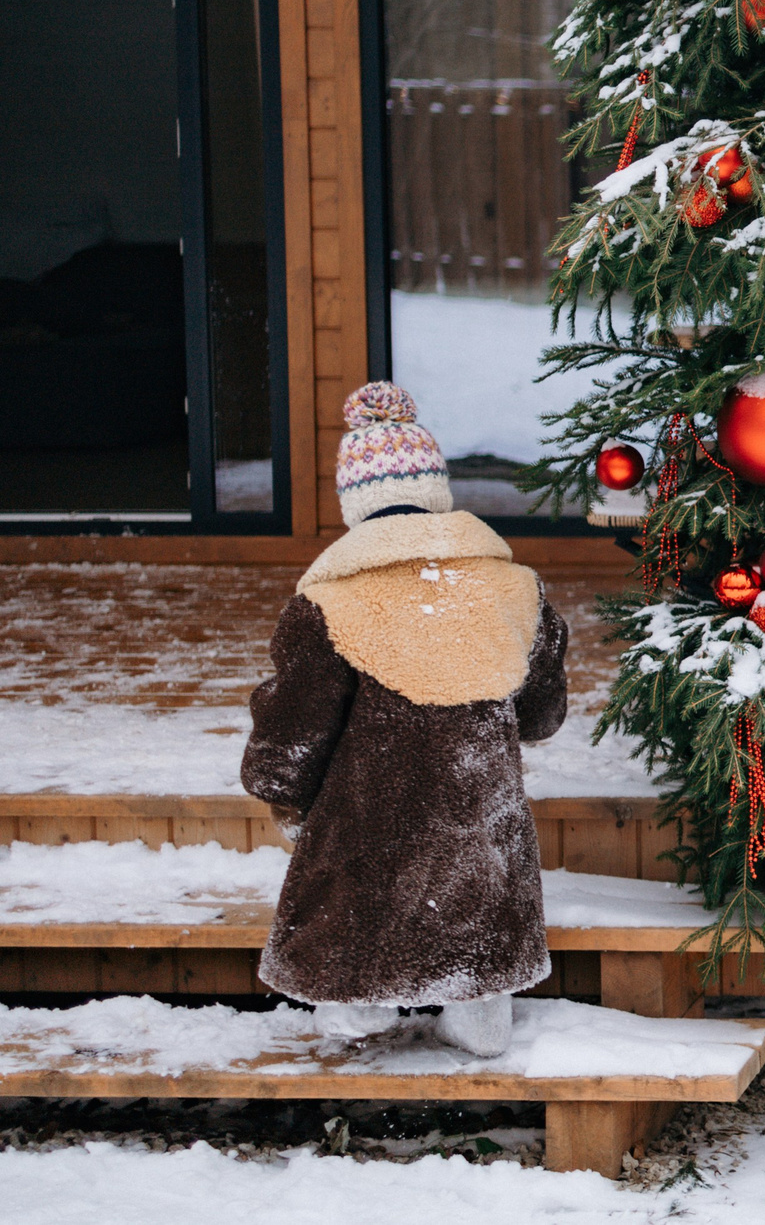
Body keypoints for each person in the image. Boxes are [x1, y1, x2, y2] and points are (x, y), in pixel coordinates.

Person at [242, 382, 569, 1055]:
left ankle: (355, 1004)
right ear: (436, 492)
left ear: (355, 504)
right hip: (479, 806)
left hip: (371, 809)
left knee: (353, 869)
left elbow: (293, 726)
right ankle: (480, 1006)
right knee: (481, 880)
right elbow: (541, 710)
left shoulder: (330, 602)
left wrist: (281, 790)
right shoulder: (515, 587)